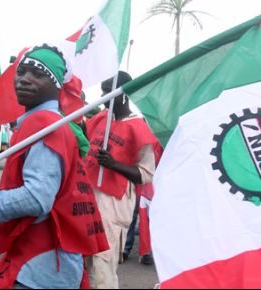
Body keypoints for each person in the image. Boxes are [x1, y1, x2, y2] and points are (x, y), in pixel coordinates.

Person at [0, 44, 108, 289]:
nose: (24, 79)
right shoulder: (42, 122)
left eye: (38, 73)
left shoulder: (45, 124)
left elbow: (38, 199)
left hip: (42, 265)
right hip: (43, 259)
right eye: (21, 71)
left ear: (56, 84)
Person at [83, 71, 160, 288]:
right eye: (103, 90)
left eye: (109, 91)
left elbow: (145, 174)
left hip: (113, 203)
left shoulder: (139, 128)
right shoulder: (100, 119)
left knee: (102, 264)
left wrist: (114, 164)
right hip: (89, 196)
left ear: (123, 94)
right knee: (83, 259)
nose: (103, 95)